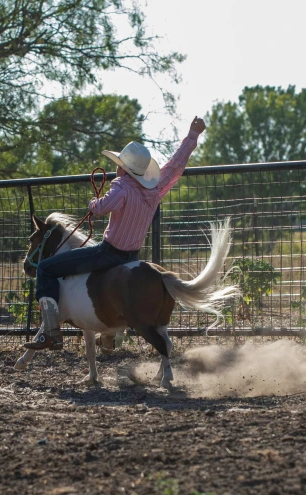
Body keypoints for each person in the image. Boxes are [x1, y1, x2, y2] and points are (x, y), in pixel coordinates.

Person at [24, 116, 207, 350]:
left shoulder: (121, 186)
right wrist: (193, 135)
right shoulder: (154, 190)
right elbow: (175, 166)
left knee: (46, 268)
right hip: (132, 257)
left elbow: (101, 209)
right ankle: (109, 333)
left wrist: (93, 203)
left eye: (119, 164)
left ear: (123, 167)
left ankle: (50, 332)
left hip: (108, 253)